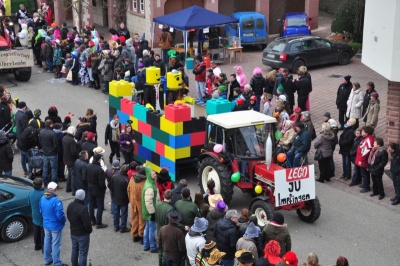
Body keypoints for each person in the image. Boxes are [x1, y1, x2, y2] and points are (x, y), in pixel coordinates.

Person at [39, 182, 67, 266]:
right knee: (56, 244)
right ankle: (57, 263)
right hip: (55, 226)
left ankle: (47, 259)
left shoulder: (42, 198)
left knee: (47, 240)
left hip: (46, 224)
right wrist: (63, 221)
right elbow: (60, 215)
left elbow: (41, 211)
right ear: (55, 190)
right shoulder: (56, 201)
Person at [67, 189, 92, 266]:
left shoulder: (70, 205)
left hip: (73, 232)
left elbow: (69, 217)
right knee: (83, 253)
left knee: (74, 250)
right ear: (83, 197)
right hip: (82, 234)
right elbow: (87, 224)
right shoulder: (83, 208)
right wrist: (89, 231)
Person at [86, 153, 108, 229]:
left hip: (90, 187)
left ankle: (92, 220)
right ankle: (99, 222)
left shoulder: (88, 166)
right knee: (100, 206)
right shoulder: (100, 170)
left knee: (91, 204)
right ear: (99, 160)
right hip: (98, 190)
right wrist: (104, 188)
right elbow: (102, 183)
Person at [128, 165, 147, 242]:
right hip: (141, 203)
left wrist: (130, 199)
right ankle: (141, 235)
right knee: (142, 220)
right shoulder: (144, 182)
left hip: (133, 202)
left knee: (134, 218)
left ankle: (135, 235)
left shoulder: (132, 179)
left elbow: (128, 189)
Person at [142, 165, 159, 252]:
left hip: (146, 212)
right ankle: (152, 246)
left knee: (147, 228)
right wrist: (152, 213)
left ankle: (146, 244)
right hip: (150, 212)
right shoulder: (150, 187)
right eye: (153, 174)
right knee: (152, 229)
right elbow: (148, 202)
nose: (155, 174)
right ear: (149, 175)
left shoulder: (148, 182)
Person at [110, 164, 131, 233]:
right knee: (124, 213)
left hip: (115, 198)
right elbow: (128, 191)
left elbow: (110, 186)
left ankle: (116, 226)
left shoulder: (114, 177)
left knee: (116, 213)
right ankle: (123, 227)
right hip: (124, 199)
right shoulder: (127, 180)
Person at [40, 120, 59, 186]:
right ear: (51, 125)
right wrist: (56, 151)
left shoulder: (41, 131)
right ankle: (54, 184)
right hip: (52, 154)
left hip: (45, 153)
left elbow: (40, 142)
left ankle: (45, 182)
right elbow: (56, 145)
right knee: (53, 169)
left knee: (45, 168)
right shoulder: (52, 133)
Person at [356, 125, 374, 193]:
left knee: (365, 174)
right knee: (363, 173)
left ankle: (366, 187)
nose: (361, 132)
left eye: (363, 131)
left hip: (364, 160)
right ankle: (365, 184)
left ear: (367, 132)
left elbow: (366, 151)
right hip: (362, 159)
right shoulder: (366, 138)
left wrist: (361, 160)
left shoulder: (369, 139)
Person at [28, 178, 45, 251]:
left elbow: (29, 202)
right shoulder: (43, 194)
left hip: (34, 214)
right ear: (41, 185)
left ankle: (37, 245)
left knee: (36, 230)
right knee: (43, 232)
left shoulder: (31, 192)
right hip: (42, 215)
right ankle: (43, 246)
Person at [63, 126, 78, 194]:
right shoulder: (72, 140)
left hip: (66, 159)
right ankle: (73, 190)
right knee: (73, 175)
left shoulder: (64, 138)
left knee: (69, 174)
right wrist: (78, 155)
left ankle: (68, 188)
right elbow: (73, 152)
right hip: (71, 160)